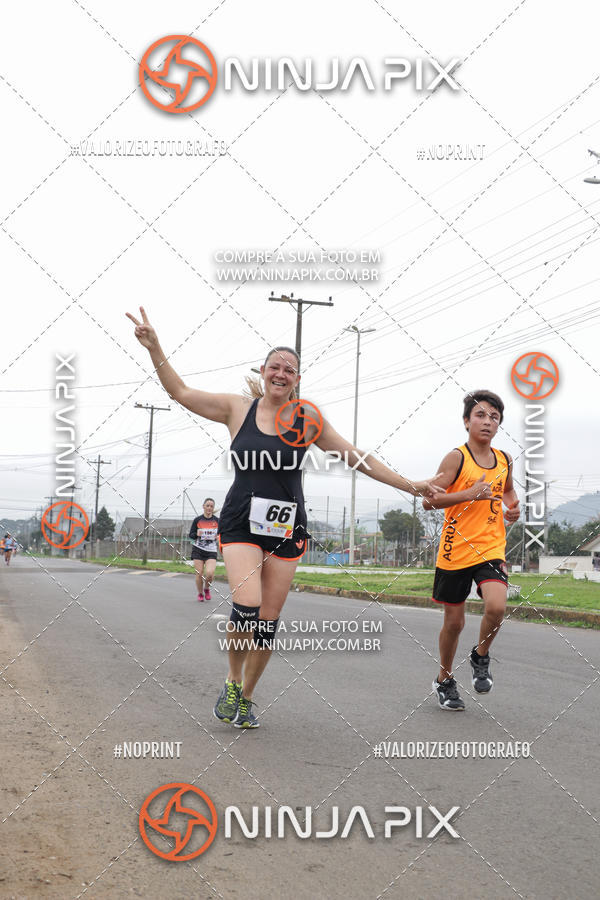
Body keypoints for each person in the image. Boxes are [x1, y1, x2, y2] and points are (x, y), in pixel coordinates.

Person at [127, 306, 445, 729]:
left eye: (289, 370)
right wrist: (155, 347)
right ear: (262, 371)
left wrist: (411, 485)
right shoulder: (236, 408)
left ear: (297, 379)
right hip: (240, 520)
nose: (281, 373)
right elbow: (180, 392)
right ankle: (231, 680)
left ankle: (246, 696)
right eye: (274, 366)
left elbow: (359, 459)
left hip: (286, 527)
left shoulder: (307, 419)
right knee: (247, 607)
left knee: (267, 626)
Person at [423, 390, 520, 711]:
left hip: (491, 548)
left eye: (494, 417)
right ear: (466, 421)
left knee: (496, 606)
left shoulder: (504, 460)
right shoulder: (456, 458)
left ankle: (480, 656)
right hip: (455, 551)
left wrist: (512, 508)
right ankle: (444, 679)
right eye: (480, 415)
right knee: (454, 623)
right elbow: (429, 500)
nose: (487, 422)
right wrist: (470, 494)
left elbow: (507, 491)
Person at [189, 498, 219, 601]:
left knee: (210, 573)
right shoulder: (198, 520)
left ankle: (206, 589)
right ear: (203, 506)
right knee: (199, 573)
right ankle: (200, 593)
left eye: (211, 506)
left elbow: (221, 534)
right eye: (207, 506)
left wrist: (218, 537)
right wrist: (197, 534)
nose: (209, 508)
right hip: (198, 549)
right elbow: (191, 535)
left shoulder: (217, 521)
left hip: (211, 550)